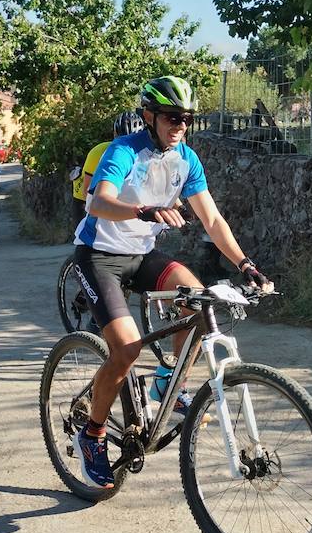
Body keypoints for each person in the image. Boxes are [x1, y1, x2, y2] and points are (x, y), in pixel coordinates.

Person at [71, 75, 269, 490]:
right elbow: (98, 201)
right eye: (171, 117)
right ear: (149, 116)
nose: (180, 125)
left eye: (187, 119)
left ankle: (168, 382)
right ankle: (91, 435)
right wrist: (142, 211)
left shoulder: (187, 160)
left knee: (198, 299)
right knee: (125, 348)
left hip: (141, 255)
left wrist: (245, 264)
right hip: (100, 256)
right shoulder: (123, 151)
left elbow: (212, 220)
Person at [71, 111, 144, 231]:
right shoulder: (98, 152)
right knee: (84, 233)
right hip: (84, 196)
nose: (126, 148)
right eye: (122, 141)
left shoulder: (145, 155)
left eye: (132, 142)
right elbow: (87, 192)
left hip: (111, 196)